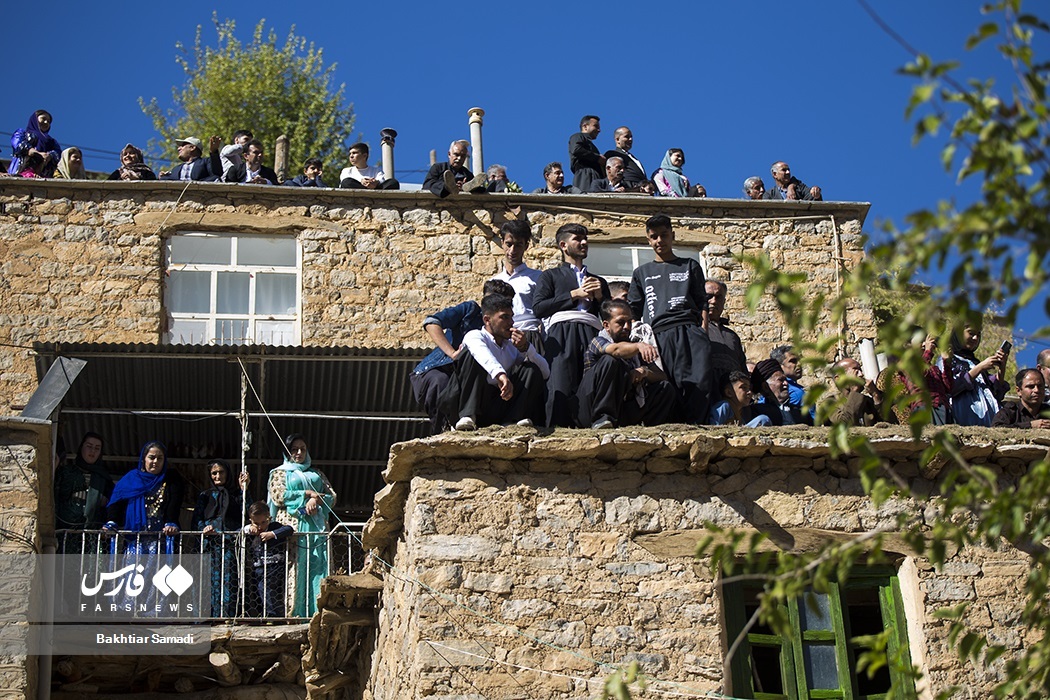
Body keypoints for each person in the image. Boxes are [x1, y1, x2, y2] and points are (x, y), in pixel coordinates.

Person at [627, 215, 712, 424]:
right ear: (648, 240)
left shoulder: (690, 265)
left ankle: (697, 427)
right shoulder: (641, 272)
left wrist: (702, 333)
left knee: (698, 383)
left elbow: (702, 303)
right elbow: (633, 310)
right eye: (653, 237)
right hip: (658, 335)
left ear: (672, 236)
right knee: (667, 384)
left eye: (664, 235)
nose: (659, 241)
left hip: (689, 331)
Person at [409, 279, 515, 434]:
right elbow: (432, 323)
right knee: (441, 383)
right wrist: (452, 353)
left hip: (466, 378)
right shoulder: (469, 310)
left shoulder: (504, 327)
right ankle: (441, 434)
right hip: (441, 369)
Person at [534, 223, 611, 427]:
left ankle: (594, 425)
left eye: (585, 238)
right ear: (563, 245)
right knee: (559, 382)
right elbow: (539, 308)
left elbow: (609, 316)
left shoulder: (599, 281)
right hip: (561, 334)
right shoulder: (550, 276)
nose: (584, 242)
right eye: (577, 239)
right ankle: (557, 431)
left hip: (592, 334)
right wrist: (574, 294)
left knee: (591, 380)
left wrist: (601, 297)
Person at [437, 293, 550, 430]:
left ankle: (512, 420)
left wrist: (526, 348)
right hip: (466, 402)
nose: (511, 322)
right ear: (487, 320)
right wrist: (500, 375)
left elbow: (545, 372)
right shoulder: (474, 336)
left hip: (496, 406)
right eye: (504, 317)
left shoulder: (511, 347)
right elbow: (482, 354)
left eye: (511, 317)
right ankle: (467, 415)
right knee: (469, 355)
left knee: (530, 368)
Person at [103, 441, 187, 614]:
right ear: (144, 459)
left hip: (159, 541)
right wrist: (112, 522)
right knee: (134, 574)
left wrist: (171, 522)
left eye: (160, 458)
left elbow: (174, 504)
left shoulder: (170, 480)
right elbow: (116, 503)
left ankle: (152, 612)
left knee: (156, 575)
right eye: (151, 457)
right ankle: (129, 612)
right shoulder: (131, 479)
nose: (155, 461)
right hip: (135, 541)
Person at [576, 299, 676, 429]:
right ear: (606, 325)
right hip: (590, 407)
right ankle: (602, 419)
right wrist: (639, 346)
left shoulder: (635, 347)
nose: (627, 327)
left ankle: (650, 429)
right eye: (621, 322)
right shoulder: (598, 341)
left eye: (629, 322)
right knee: (610, 360)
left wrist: (644, 372)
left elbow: (662, 376)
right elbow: (616, 350)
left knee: (665, 388)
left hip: (621, 407)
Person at [267, 433, 335, 617]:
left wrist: (316, 501)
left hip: (317, 526)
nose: (299, 453)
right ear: (287, 451)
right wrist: (307, 494)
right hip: (294, 526)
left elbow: (332, 496)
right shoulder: (279, 473)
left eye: (302, 449)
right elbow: (279, 495)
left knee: (319, 564)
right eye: (294, 449)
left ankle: (320, 609)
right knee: (296, 566)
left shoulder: (317, 473)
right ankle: (295, 612)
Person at [193, 459, 250, 618]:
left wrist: (244, 490)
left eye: (221, 472)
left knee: (229, 579)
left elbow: (247, 513)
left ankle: (226, 616)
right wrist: (203, 528)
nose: (218, 476)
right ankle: (206, 616)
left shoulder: (237, 494)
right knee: (207, 578)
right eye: (214, 473)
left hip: (230, 543)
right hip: (210, 543)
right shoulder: (205, 495)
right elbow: (197, 518)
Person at [55, 432, 114, 552]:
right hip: (66, 533)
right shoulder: (66, 472)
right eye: (89, 446)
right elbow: (56, 497)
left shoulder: (104, 479)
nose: (93, 451)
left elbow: (111, 506)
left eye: (97, 448)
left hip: (90, 538)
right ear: (81, 447)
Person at [945, 320, 1008, 426]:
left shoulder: (974, 362)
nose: (975, 338)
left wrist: (1002, 367)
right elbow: (949, 386)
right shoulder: (949, 359)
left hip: (988, 419)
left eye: (978, 335)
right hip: (963, 415)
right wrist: (980, 368)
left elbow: (996, 392)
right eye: (971, 333)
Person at [493, 220, 544, 351]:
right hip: (501, 339)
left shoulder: (538, 278)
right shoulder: (494, 282)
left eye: (518, 245)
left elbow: (545, 314)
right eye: (509, 244)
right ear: (502, 243)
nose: (512, 250)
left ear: (526, 246)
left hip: (530, 336)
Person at [243, 500, 293, 617]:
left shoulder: (274, 526)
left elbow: (289, 529)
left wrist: (272, 534)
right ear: (251, 521)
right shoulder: (250, 531)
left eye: (263, 522)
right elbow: (237, 532)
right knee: (258, 591)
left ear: (269, 518)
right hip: (258, 567)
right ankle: (263, 614)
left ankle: (274, 615)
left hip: (273, 566)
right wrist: (247, 529)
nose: (260, 526)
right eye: (256, 523)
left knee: (268, 589)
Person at [705, 280, 748, 395]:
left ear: (724, 302)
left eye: (718, 297)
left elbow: (742, 368)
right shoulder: (694, 329)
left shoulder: (732, 336)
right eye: (709, 296)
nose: (713, 301)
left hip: (734, 397)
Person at [823, 358, 883, 426]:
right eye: (855, 371)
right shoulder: (830, 403)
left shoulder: (867, 402)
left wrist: (876, 395)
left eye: (860, 370)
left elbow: (890, 424)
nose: (861, 374)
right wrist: (855, 390)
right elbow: (844, 423)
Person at [749, 360, 810, 426]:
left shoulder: (799, 412)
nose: (786, 383)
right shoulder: (759, 412)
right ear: (765, 387)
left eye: (785, 379)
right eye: (780, 380)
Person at [8, 110, 61, 178]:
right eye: (43, 119)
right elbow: (18, 144)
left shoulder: (52, 141)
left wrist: (49, 156)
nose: (46, 122)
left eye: (48, 121)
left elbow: (58, 153)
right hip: (20, 173)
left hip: (43, 176)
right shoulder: (22, 133)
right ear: (35, 119)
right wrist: (34, 152)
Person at [603, 127, 653, 193]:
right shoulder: (613, 154)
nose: (630, 139)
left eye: (631, 137)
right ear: (617, 139)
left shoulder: (632, 157)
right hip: (628, 188)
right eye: (626, 137)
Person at [568, 115, 606, 192]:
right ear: (585, 126)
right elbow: (576, 150)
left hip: (594, 176)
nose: (599, 130)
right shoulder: (577, 136)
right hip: (585, 175)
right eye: (596, 126)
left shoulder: (590, 144)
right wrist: (597, 158)